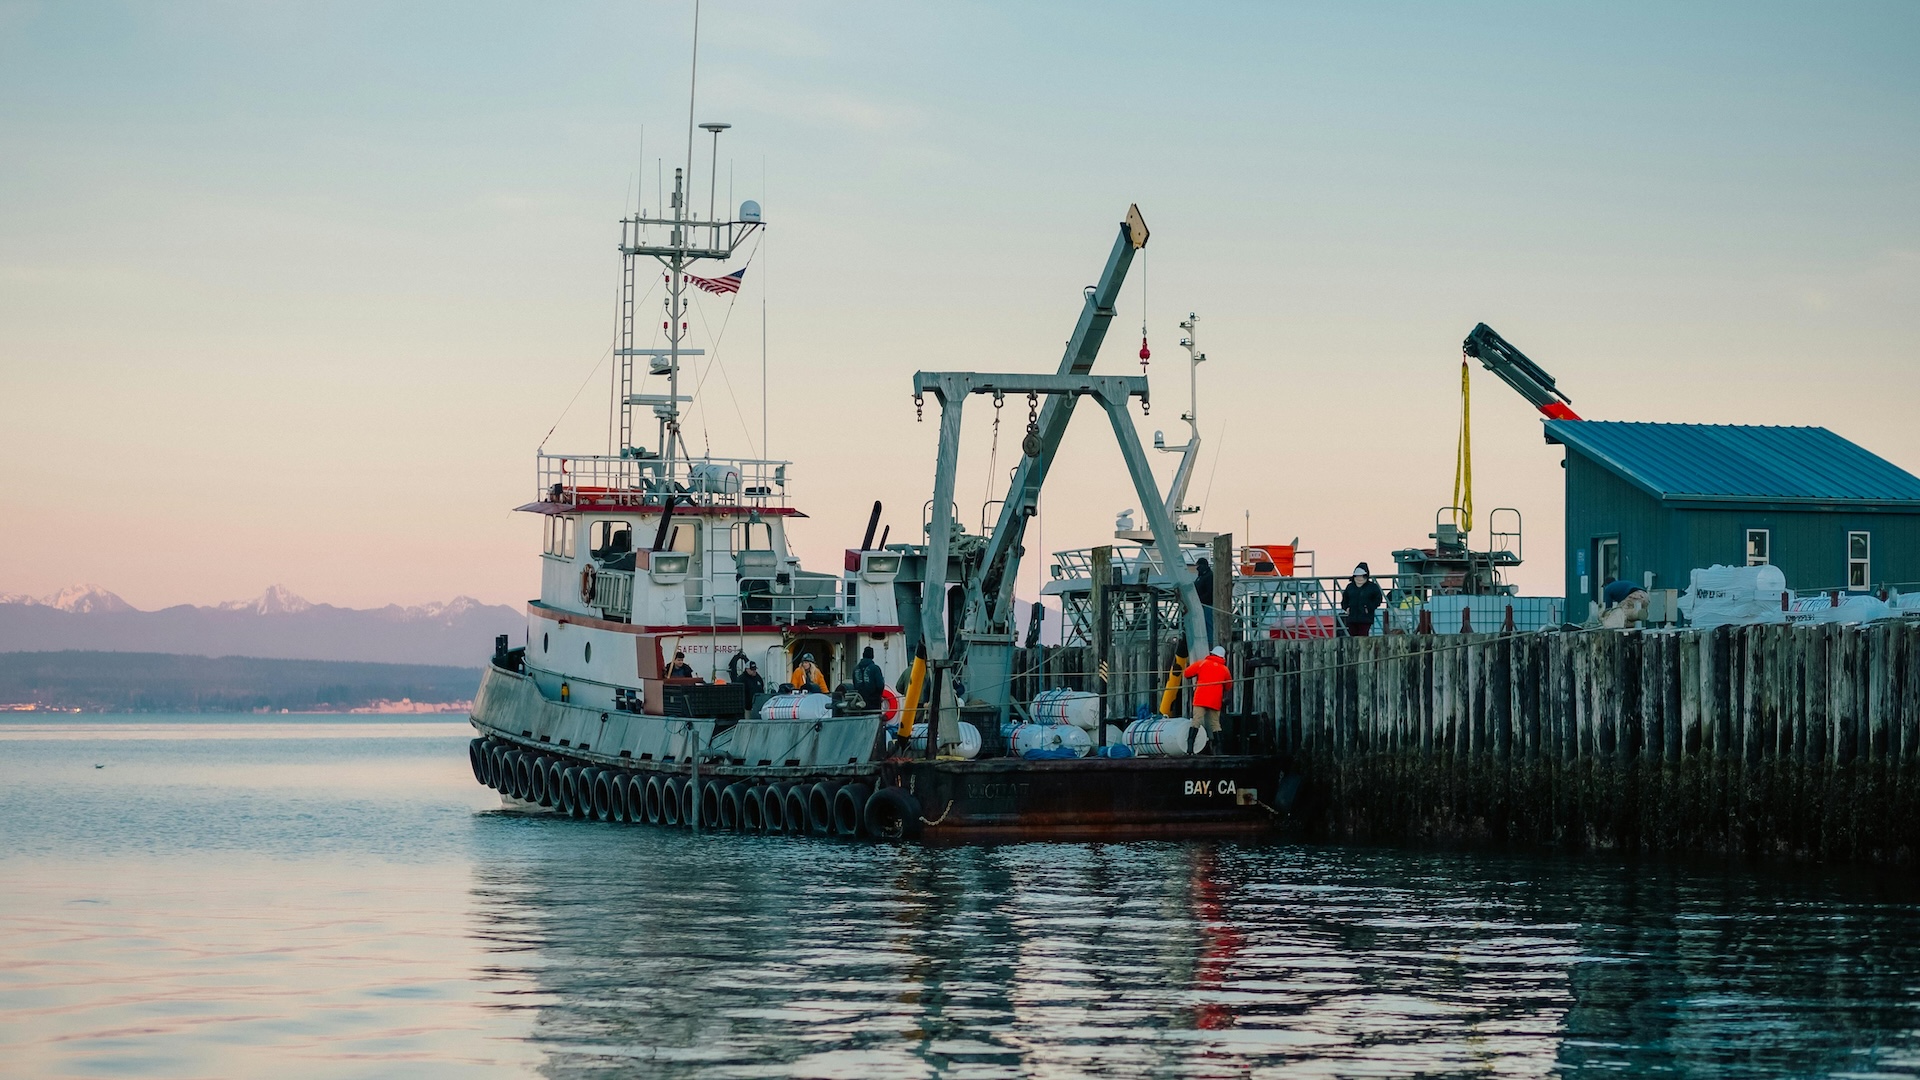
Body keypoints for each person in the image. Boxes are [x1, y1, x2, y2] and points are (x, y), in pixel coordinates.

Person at [1184, 645, 1231, 753]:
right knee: (1215, 724)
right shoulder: (1225, 669)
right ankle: (1219, 751)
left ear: (1212, 654)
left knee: (1196, 721)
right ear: (1222, 657)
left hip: (1200, 699)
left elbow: (1187, 673)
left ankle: (1190, 747)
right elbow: (1228, 686)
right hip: (1215, 701)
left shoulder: (1202, 663)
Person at [1340, 563, 1384, 638]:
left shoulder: (1372, 587)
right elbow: (1345, 599)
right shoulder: (1350, 587)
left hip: (1365, 618)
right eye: (1357, 575)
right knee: (1352, 638)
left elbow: (1378, 599)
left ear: (1365, 576)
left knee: (1363, 636)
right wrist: (1346, 608)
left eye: (1361, 575)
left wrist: (1368, 608)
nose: (1359, 578)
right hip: (1352, 617)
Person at [852, 646, 886, 711]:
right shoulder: (875, 668)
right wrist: (879, 696)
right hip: (874, 702)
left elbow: (854, 685)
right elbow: (880, 685)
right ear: (872, 656)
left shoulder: (855, 669)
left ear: (863, 655)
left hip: (860, 701)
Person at [1193, 557, 1216, 645]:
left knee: (1208, 623)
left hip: (1207, 604)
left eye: (1198, 565)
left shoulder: (1209, 576)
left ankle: (1210, 642)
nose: (1197, 568)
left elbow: (1210, 592)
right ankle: (1204, 641)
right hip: (1200, 603)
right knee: (1202, 624)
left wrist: (1199, 599)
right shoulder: (1201, 576)